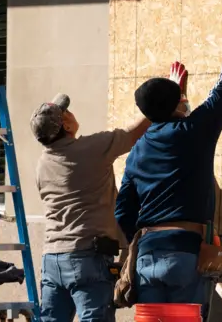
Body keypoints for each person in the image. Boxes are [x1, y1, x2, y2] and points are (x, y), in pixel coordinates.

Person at [114, 0, 222, 317]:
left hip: (146, 257)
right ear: (180, 103)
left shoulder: (138, 149)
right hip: (186, 254)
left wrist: (141, 238)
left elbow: (123, 210)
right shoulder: (195, 131)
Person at [30, 94, 150, 322]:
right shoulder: (90, 148)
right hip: (86, 258)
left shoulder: (42, 164)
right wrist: (163, 96)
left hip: (51, 259)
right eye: (67, 112)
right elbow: (134, 133)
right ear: (65, 124)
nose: (72, 113)